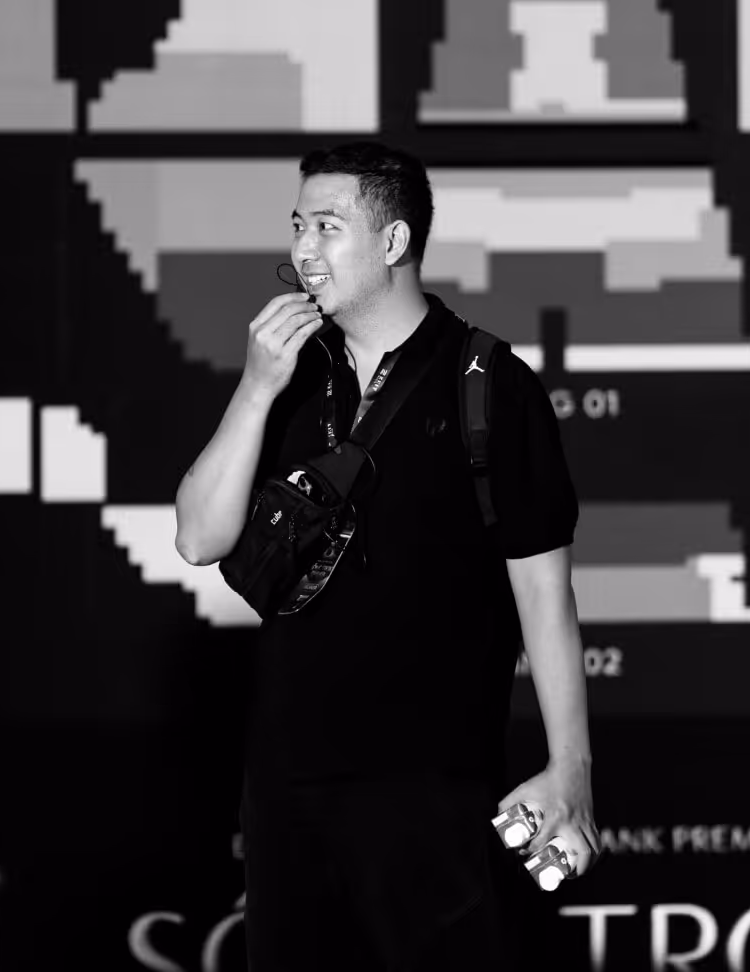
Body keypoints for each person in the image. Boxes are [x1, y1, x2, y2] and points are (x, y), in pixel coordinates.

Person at [174, 141, 599, 970]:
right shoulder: (289, 373)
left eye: (327, 227)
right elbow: (198, 537)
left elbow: (545, 596)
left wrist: (570, 769)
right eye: (297, 226)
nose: (304, 250)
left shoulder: (489, 382)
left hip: (434, 787)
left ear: (395, 241)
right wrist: (257, 386)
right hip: (289, 789)